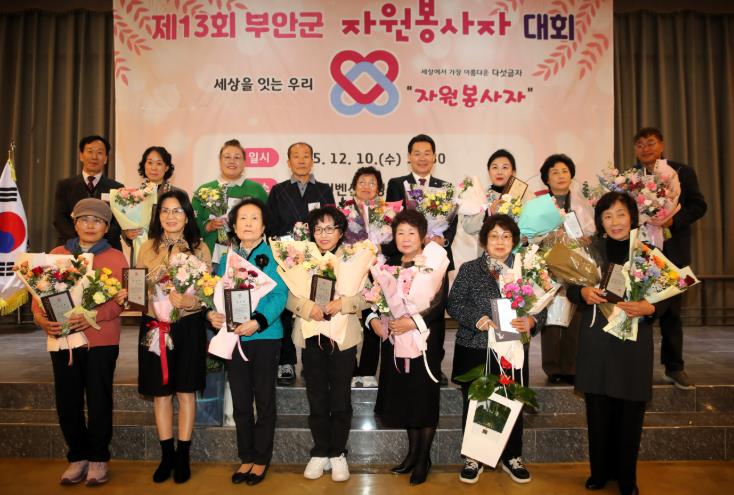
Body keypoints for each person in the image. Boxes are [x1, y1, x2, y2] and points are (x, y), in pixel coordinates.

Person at [567, 191, 670, 495]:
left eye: (621, 214)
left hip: (633, 340)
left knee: (630, 410)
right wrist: (582, 293)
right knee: (597, 408)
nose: (615, 222)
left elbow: (668, 294)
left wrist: (650, 307)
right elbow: (570, 286)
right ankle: (599, 472)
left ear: (632, 218)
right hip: (597, 337)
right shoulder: (590, 250)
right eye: (608, 215)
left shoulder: (647, 252)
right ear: (600, 220)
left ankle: (627, 477)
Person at [32, 198, 128, 486]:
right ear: (74, 224)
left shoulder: (115, 257)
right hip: (63, 340)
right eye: (84, 219)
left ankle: (98, 458)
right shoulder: (57, 255)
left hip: (101, 340)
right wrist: (41, 320)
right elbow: (38, 295)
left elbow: (122, 301)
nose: (90, 225)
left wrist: (94, 316)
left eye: (97, 220)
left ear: (106, 227)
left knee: (99, 400)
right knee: (68, 399)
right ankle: (77, 456)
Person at [447, 214, 544, 485]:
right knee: (475, 401)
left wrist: (532, 321)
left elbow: (540, 307)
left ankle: (512, 456)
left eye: (506, 236)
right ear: (484, 240)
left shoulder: (526, 270)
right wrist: (477, 319)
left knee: (512, 400)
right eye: (494, 236)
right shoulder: (469, 269)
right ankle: (473, 457)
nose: (500, 242)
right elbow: (454, 304)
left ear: (514, 241)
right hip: (475, 345)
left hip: (511, 348)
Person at [206, 198, 287, 486]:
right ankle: (246, 455)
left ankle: (261, 458)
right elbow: (214, 292)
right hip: (233, 337)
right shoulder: (226, 258)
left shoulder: (274, 256)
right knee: (240, 400)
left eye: (254, 218)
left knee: (264, 400)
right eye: (242, 218)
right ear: (234, 226)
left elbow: (280, 295)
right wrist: (212, 314)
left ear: (264, 226)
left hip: (264, 336)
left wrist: (258, 321)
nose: (248, 223)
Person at [136, 190, 212, 484]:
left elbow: (208, 292)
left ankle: (183, 456)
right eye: (165, 211)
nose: (171, 216)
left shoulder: (199, 249)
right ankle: (167, 455)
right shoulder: (147, 247)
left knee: (186, 391)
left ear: (187, 216)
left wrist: (190, 302)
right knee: (161, 392)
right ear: (158, 216)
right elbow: (135, 289)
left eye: (177, 210)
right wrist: (141, 290)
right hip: (155, 326)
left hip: (188, 326)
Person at [287, 206, 366, 483]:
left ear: (341, 232)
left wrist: (342, 303)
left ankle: (338, 452)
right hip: (311, 336)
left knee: (341, 397)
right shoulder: (301, 258)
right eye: (318, 229)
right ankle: (320, 451)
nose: (324, 234)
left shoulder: (355, 257)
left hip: (343, 338)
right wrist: (307, 307)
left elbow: (366, 296)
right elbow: (289, 296)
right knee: (317, 395)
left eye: (330, 228)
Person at [371, 209, 448, 486]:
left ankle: (424, 459)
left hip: (424, 342)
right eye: (400, 233)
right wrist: (377, 319)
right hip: (395, 342)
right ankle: (412, 454)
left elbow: (439, 304)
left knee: (423, 399)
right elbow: (374, 299)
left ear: (423, 236)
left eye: (411, 233)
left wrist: (412, 322)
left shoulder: (432, 264)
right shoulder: (388, 264)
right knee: (406, 398)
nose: (405, 238)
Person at [632, 127, 707, 390]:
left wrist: (674, 220)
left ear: (661, 145)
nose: (646, 149)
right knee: (640, 312)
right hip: (642, 253)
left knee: (673, 313)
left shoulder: (681, 172)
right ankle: (636, 368)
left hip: (675, 251)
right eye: (640, 144)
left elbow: (699, 205)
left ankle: (674, 368)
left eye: (651, 143)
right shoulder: (630, 178)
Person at [385, 134, 456, 385]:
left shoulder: (446, 187)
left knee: (434, 309)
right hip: (406, 258)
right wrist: (414, 238)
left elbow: (452, 223)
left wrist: (440, 240)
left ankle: (434, 361)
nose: (422, 158)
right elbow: (392, 218)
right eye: (417, 153)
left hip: (434, 260)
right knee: (404, 307)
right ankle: (405, 355)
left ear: (435, 157)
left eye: (427, 153)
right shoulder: (396, 184)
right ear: (409, 157)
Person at [266, 142, 335, 385]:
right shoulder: (279, 190)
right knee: (288, 309)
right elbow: (271, 226)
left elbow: (331, 224)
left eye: (306, 156)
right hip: (288, 259)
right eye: (296, 156)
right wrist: (288, 246)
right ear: (288, 162)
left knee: (316, 307)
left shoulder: (324, 190)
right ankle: (286, 361)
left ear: (312, 160)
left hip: (317, 258)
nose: (301, 160)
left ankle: (313, 361)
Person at [538, 153, 596, 385]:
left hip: (577, 264)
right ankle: (553, 367)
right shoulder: (540, 204)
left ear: (571, 175)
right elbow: (532, 235)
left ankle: (572, 366)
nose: (560, 176)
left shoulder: (583, 202)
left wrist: (584, 239)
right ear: (546, 179)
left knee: (576, 314)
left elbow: (592, 231)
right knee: (552, 314)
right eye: (554, 172)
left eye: (564, 171)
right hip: (549, 264)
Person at [192, 139, 268, 257]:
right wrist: (208, 226)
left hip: (249, 257)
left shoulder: (257, 190)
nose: (232, 161)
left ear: (244, 162)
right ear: (220, 160)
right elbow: (191, 226)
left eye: (237, 157)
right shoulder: (204, 190)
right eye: (227, 157)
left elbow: (268, 223)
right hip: (209, 255)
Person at [345, 166, 385, 388]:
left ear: (379, 188)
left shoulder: (386, 213)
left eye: (372, 183)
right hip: (349, 271)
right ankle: (350, 369)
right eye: (362, 182)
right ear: (354, 186)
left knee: (374, 318)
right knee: (348, 318)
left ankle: (368, 371)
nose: (366, 186)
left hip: (376, 271)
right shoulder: (343, 210)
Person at [53, 135, 124, 250]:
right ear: (81, 156)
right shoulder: (65, 185)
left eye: (100, 152)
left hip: (107, 247)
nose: (94, 157)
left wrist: (98, 241)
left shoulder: (117, 188)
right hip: (71, 246)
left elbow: (118, 222)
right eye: (90, 151)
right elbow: (60, 219)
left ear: (106, 158)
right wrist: (81, 241)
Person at [122, 146, 187, 244]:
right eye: (150, 163)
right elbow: (127, 223)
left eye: (159, 163)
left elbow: (187, 225)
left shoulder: (178, 194)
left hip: (170, 247)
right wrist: (127, 233)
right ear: (144, 165)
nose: (154, 168)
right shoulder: (133, 195)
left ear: (166, 167)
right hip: (141, 247)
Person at [462, 149, 520, 235]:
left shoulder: (524, 196)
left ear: (513, 172)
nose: (499, 172)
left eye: (505, 167)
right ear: (489, 172)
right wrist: (489, 212)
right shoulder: (479, 195)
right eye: (495, 167)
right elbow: (467, 227)